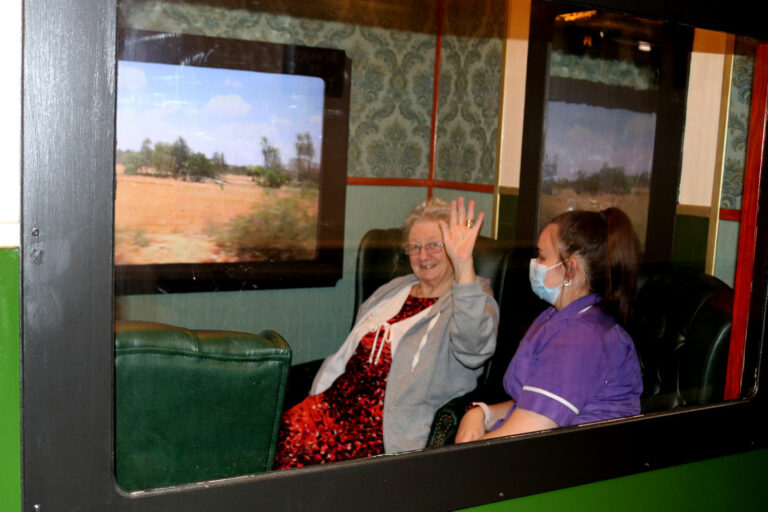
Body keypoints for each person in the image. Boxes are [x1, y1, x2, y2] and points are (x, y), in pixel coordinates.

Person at [275, 197, 499, 468]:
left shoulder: (472, 301)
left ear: (453, 247)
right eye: (414, 247)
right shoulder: (394, 289)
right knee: (277, 436)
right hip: (333, 409)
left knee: (296, 459)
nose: (423, 256)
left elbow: (474, 350)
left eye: (434, 245)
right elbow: (349, 350)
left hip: (383, 429)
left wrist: (463, 267)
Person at [456, 207, 642, 443]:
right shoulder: (557, 317)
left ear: (570, 269)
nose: (535, 264)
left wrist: (462, 456)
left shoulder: (584, 338)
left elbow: (527, 432)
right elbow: (531, 404)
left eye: (542, 257)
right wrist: (483, 412)